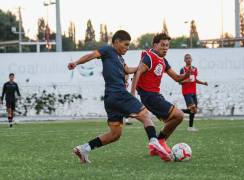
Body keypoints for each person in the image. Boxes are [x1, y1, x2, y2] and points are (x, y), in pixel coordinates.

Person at [67, 30, 172, 163]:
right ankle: (153, 141)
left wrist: (143, 67)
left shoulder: (120, 58)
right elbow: (92, 55)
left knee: (115, 134)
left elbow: (128, 70)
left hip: (110, 98)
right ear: (116, 42)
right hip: (118, 93)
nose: (127, 48)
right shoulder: (108, 50)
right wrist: (76, 63)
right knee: (145, 114)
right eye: (126, 45)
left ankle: (84, 149)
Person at [131, 33, 189, 157]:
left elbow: (176, 78)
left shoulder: (163, 60)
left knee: (176, 118)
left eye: (167, 46)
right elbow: (137, 73)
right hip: (150, 97)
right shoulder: (149, 57)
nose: (165, 48)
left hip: (155, 96)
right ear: (155, 45)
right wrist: (132, 94)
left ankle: (156, 145)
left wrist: (186, 75)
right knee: (179, 115)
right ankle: (160, 142)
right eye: (162, 45)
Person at [179, 54, 208, 132]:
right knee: (193, 108)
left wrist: (203, 83)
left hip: (193, 92)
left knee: (193, 111)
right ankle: (176, 111)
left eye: (189, 58)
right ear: (184, 60)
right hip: (186, 92)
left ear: (191, 59)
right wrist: (186, 80)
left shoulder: (195, 69)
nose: (188, 59)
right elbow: (180, 82)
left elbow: (195, 80)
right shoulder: (183, 70)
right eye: (186, 58)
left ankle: (190, 127)